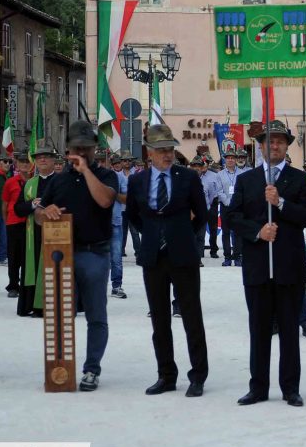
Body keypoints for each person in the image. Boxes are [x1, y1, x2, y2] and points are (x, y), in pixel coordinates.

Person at [225, 120, 306, 407]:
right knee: (259, 330)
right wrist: (257, 232)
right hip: (258, 267)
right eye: (269, 141)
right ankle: (258, 387)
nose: (274, 145)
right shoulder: (247, 180)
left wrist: (281, 203)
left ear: (287, 146)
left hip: (289, 266)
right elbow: (232, 217)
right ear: (261, 146)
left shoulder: (300, 179)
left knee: (289, 330)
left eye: (279, 141)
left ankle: (290, 387)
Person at [34, 121, 119, 392]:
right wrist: (45, 212)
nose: (81, 153)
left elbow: (105, 200)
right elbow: (38, 214)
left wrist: (86, 172)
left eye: (87, 148)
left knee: (96, 315)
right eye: (77, 148)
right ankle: (61, 367)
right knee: (60, 315)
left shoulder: (106, 175)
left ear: (95, 149)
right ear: (68, 149)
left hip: (95, 253)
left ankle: (91, 369)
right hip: (62, 256)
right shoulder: (58, 180)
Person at [127, 126, 209, 397]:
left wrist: (182, 235)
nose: (167, 154)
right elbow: (134, 216)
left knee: (191, 317)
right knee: (159, 319)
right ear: (149, 153)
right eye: (161, 150)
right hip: (153, 257)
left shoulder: (188, 177)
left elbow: (202, 214)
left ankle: (198, 375)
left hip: (183, 256)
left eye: (170, 149)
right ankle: (166, 375)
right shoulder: (137, 181)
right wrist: (154, 236)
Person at [13, 139, 59, 317]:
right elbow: (18, 209)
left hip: (56, 232)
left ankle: (51, 305)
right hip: (33, 234)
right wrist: (32, 204)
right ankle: (33, 304)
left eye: (46, 156)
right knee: (34, 266)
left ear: (54, 160)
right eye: (39, 157)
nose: (43, 160)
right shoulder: (29, 184)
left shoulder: (62, 181)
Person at [1, 153, 32, 299]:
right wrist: (6, 221)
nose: (25, 164)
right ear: (17, 164)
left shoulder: (35, 181)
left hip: (30, 223)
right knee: (13, 256)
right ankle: (13, 285)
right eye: (22, 162)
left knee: (28, 255)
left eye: (27, 161)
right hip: (14, 223)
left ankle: (27, 285)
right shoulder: (10, 182)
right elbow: (5, 203)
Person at [217, 143, 245, 267]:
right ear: (225, 160)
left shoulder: (242, 174)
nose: (230, 160)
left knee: (238, 232)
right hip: (225, 206)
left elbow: (243, 191)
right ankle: (227, 257)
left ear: (236, 159)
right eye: (228, 158)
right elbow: (219, 191)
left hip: (238, 207)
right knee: (226, 233)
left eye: (232, 158)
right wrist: (228, 202)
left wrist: (236, 202)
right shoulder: (220, 175)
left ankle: (237, 256)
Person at [109, 154, 128, 298]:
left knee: (116, 257)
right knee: (96, 257)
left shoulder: (120, 178)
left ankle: (116, 286)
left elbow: (127, 198)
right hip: (95, 223)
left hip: (115, 221)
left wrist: (112, 194)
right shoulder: (92, 177)